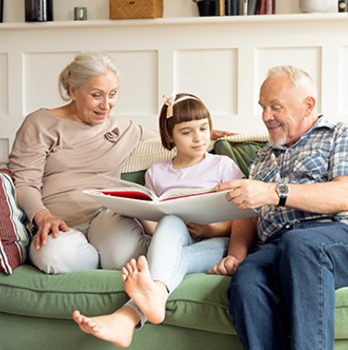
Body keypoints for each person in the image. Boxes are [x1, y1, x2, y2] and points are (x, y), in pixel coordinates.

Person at [72, 93, 246, 348]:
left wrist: (213, 228)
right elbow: (153, 218)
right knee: (170, 221)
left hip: (216, 242)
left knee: (174, 258)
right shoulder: (157, 172)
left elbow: (246, 213)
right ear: (170, 136)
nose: (198, 138)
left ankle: (128, 316)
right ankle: (139, 308)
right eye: (186, 132)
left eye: (203, 128)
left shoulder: (222, 165)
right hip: (172, 239)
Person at [210, 65, 348, 349]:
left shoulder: (339, 135)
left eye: (276, 107)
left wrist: (274, 192)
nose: (265, 116)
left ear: (308, 105)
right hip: (275, 245)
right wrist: (235, 256)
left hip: (333, 238)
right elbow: (247, 217)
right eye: (263, 107)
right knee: (246, 282)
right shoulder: (260, 157)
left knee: (299, 244)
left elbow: (344, 194)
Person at [9, 51, 158, 274]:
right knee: (55, 258)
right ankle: (97, 261)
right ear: (73, 91)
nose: (106, 105)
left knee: (126, 256)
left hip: (106, 216)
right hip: (57, 222)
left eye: (113, 94)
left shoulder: (122, 128)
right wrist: (43, 217)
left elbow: (170, 140)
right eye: (97, 95)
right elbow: (24, 184)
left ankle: (101, 259)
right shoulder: (40, 124)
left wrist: (210, 134)